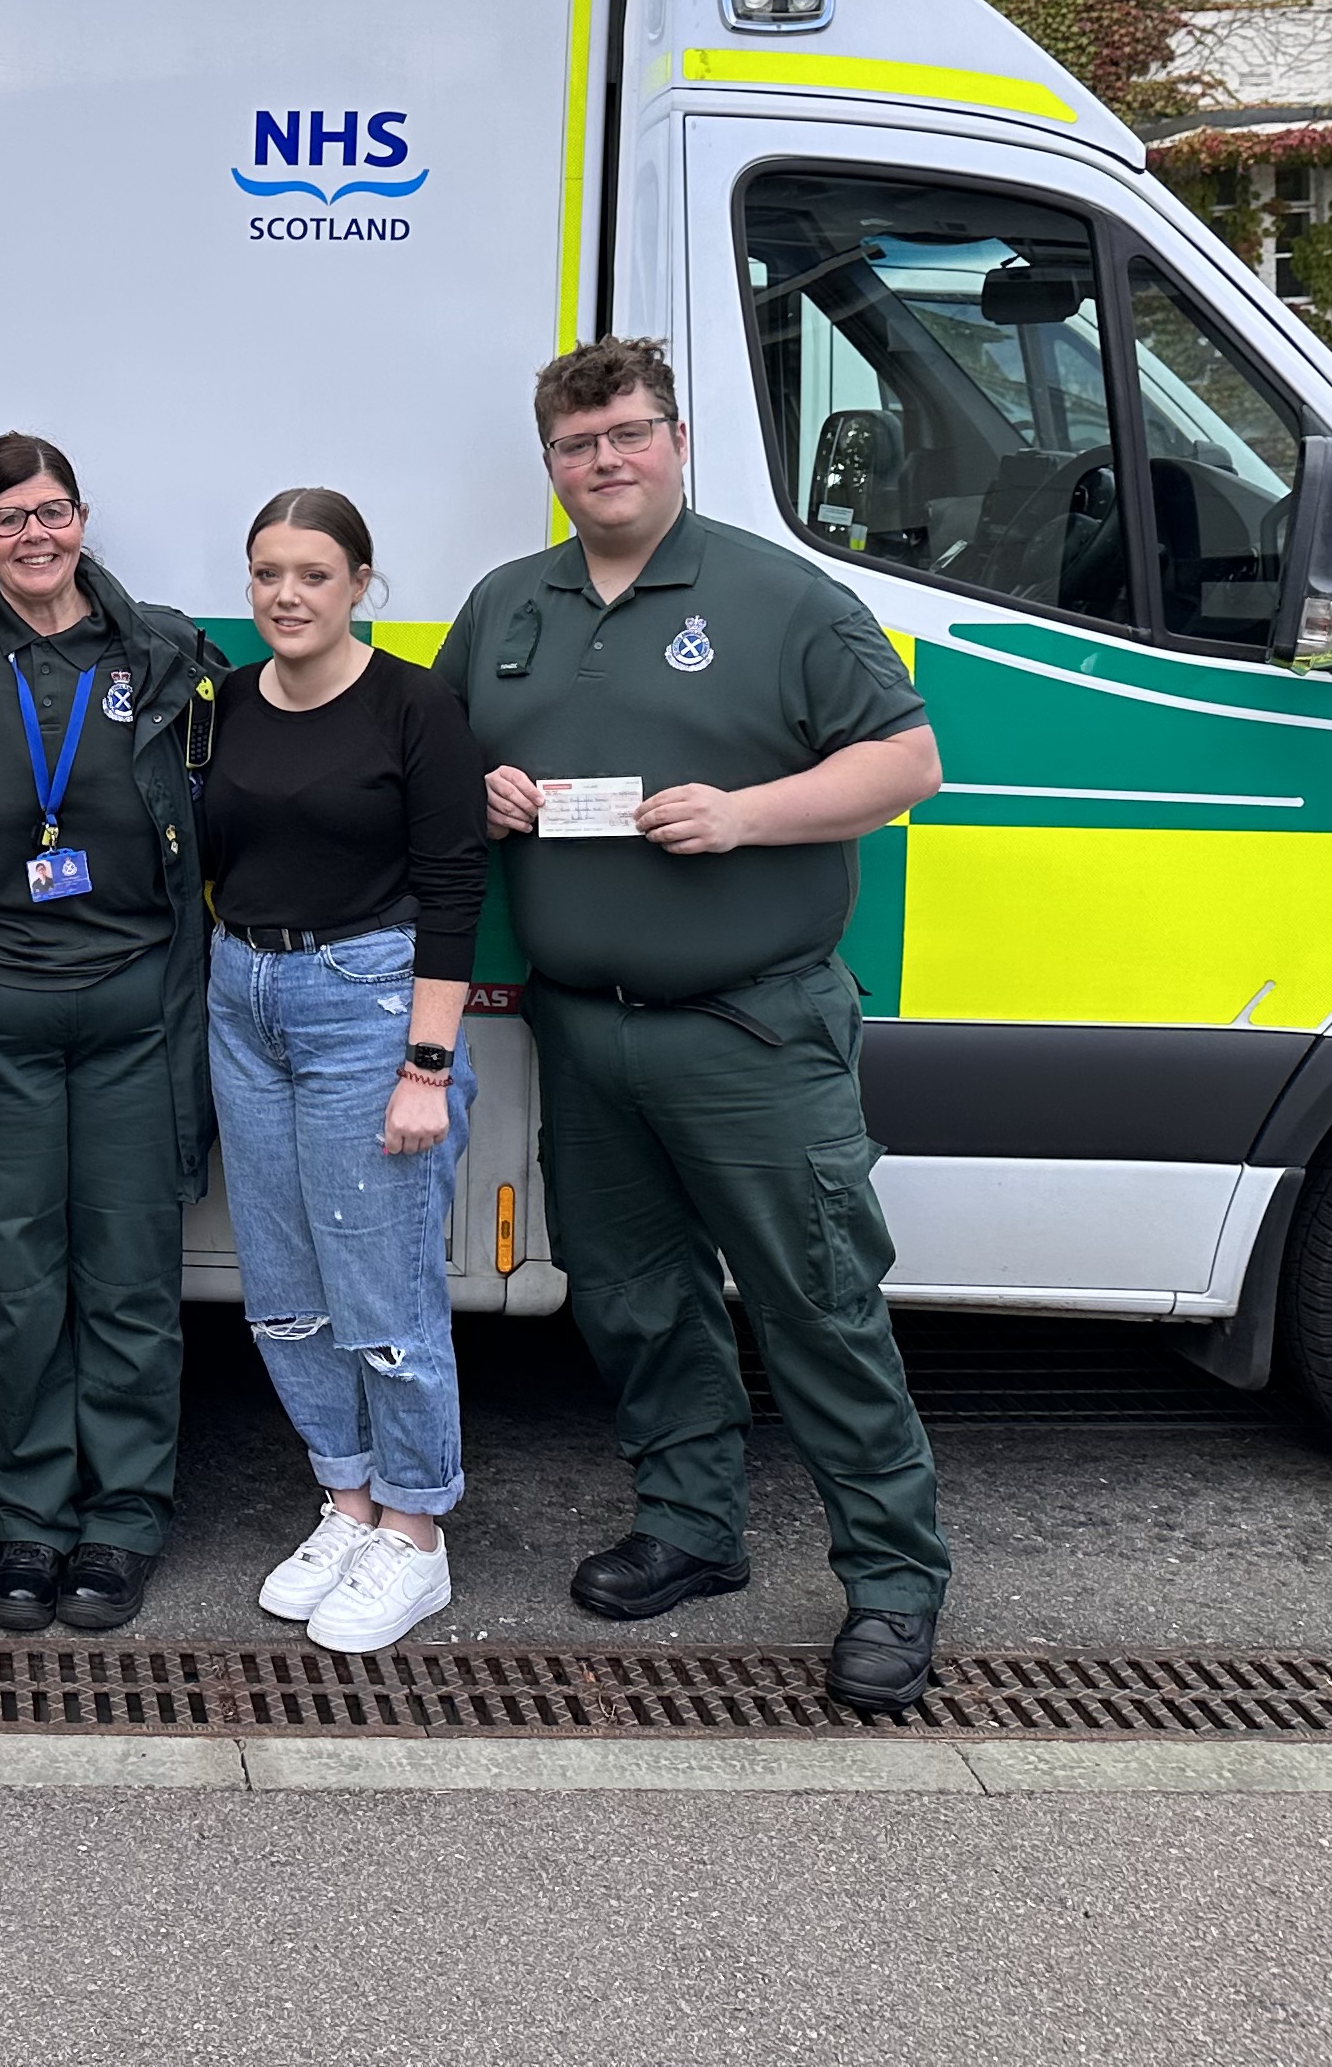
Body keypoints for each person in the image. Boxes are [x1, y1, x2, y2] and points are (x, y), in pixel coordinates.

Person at [432, 334, 952, 1717]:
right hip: (584, 1032)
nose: (606, 462)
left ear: (675, 440)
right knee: (636, 1299)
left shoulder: (780, 595)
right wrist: (482, 790)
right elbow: (445, 755)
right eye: (578, 444)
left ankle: (895, 1583)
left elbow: (907, 760)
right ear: (549, 465)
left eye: (629, 435)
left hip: (752, 1029)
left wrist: (743, 816)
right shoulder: (508, 605)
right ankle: (692, 1528)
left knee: (819, 1308)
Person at [0, 432, 223, 1635]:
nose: (37, 537)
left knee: (132, 1283)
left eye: (55, 512)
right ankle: (30, 1523)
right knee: (13, 1288)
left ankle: (125, 1521)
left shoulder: (159, 647)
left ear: (84, 519)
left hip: (136, 1019)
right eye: (9, 519)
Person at [202, 485, 491, 1654]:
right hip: (243, 999)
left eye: (313, 574)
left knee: (385, 1296)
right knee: (281, 1290)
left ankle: (417, 1535)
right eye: (268, 572)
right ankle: (349, 1501)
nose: (287, 595)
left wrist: (427, 1064)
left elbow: (456, 889)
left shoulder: (414, 707)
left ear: (361, 583)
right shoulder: (219, 705)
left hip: (368, 1004)